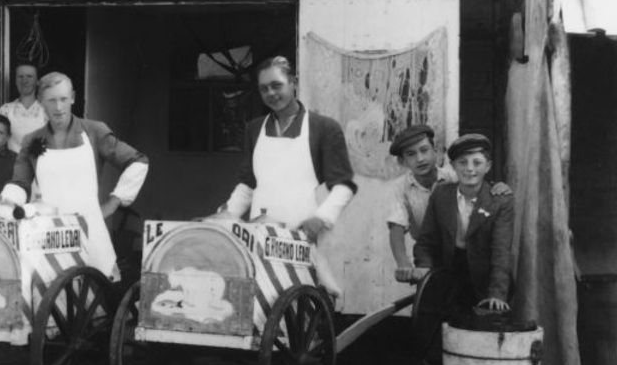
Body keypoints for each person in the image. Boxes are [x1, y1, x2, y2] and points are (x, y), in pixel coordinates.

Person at [399, 133, 514, 365]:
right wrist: (424, 270)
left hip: (483, 283)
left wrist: (496, 294)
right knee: (435, 348)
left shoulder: (500, 199)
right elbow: (426, 242)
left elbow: (502, 252)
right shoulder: (443, 195)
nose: (470, 169)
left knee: (475, 348)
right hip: (449, 278)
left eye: (477, 162)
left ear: (488, 166)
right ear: (453, 166)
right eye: (462, 162)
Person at [0, 72, 148, 280]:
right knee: (52, 295)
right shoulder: (32, 140)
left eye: (63, 99)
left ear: (73, 98)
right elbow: (20, 182)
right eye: (51, 100)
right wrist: (7, 202)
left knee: (97, 292)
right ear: (41, 102)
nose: (58, 107)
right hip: (49, 234)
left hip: (89, 228)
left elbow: (138, 161)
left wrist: (114, 202)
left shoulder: (94, 131)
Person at [214, 56, 356, 242]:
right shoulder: (254, 129)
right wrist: (226, 216)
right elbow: (248, 185)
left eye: (276, 85)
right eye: (264, 89)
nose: (271, 93)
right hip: (258, 235)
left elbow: (343, 186)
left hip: (302, 237)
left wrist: (321, 218)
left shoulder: (324, 128)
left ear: (293, 83)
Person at [385, 124, 511, 283]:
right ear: (402, 161)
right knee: (428, 300)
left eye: (424, 150)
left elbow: (477, 183)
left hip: (465, 253)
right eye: (411, 154)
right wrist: (404, 264)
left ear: (436, 152)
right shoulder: (400, 188)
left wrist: (496, 187)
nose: (420, 159)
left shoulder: (453, 176)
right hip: (428, 256)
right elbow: (397, 227)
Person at [0, 62, 48, 153]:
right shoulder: (5, 110)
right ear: (16, 81)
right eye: (20, 76)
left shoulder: (46, 111)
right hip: (13, 165)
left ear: (37, 81)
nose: (25, 81)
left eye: (29, 76)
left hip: (39, 164)